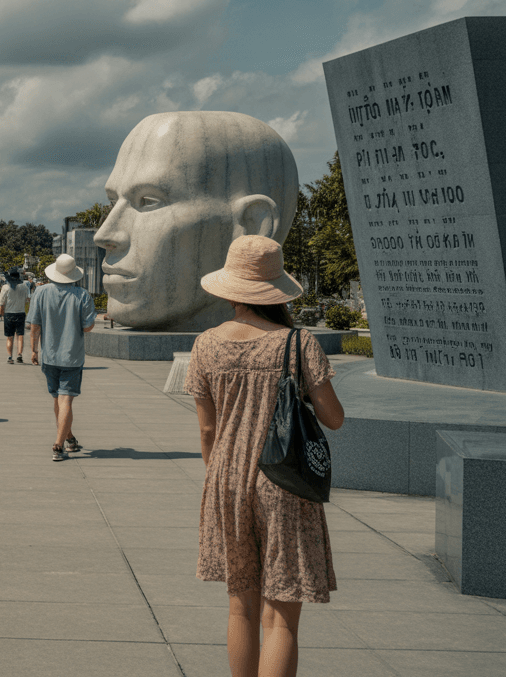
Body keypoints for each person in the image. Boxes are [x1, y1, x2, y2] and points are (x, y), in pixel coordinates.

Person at [183, 235, 345, 677]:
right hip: (285, 482)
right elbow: (333, 418)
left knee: (241, 608)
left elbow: (207, 428)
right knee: (281, 617)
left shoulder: (206, 345)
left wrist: (219, 475)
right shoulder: (298, 343)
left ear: (230, 287)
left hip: (226, 479)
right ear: (276, 287)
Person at [94, 111, 299, 331]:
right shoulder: (298, 347)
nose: (104, 235)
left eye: (148, 201)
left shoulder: (209, 349)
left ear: (252, 227)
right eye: (112, 201)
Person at [28, 255, 96, 461]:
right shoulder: (82, 295)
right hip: (72, 356)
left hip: (49, 355)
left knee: (58, 399)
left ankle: (69, 438)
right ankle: (59, 445)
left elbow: (35, 325)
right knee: (66, 400)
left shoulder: (40, 292)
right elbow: (87, 326)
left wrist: (33, 350)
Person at [0, 268, 31, 364]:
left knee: (10, 337)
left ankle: (10, 357)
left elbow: (1, 302)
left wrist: (1, 313)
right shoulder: (24, 287)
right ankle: (19, 355)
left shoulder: (5, 287)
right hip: (20, 313)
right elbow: (28, 299)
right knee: (20, 335)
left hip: (9, 313)